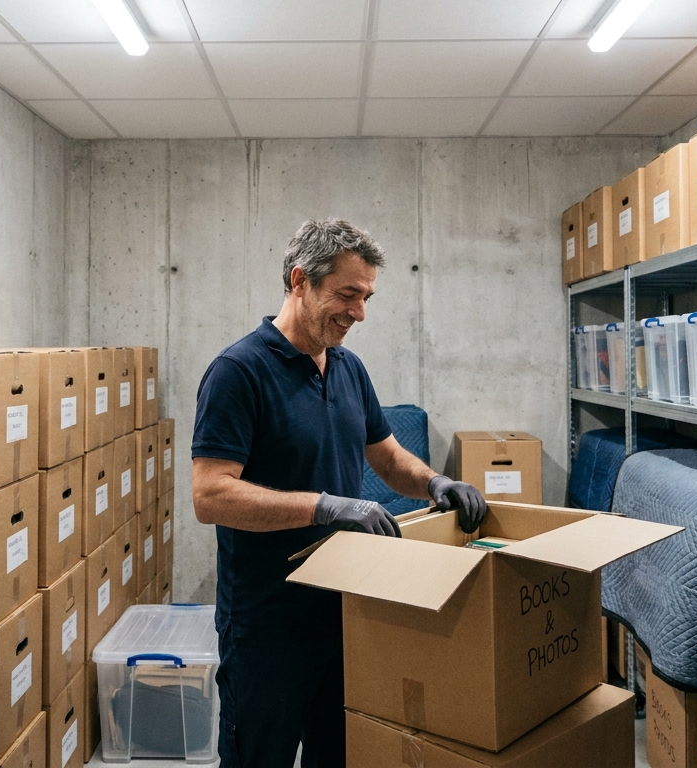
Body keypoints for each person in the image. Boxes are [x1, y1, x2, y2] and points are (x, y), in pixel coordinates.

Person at [191, 218, 487, 768]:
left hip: (346, 612)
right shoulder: (239, 372)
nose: (359, 313)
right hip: (267, 625)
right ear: (300, 280)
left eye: (366, 297)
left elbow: (387, 456)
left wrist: (434, 483)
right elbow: (210, 496)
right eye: (347, 294)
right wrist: (323, 506)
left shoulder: (349, 369)